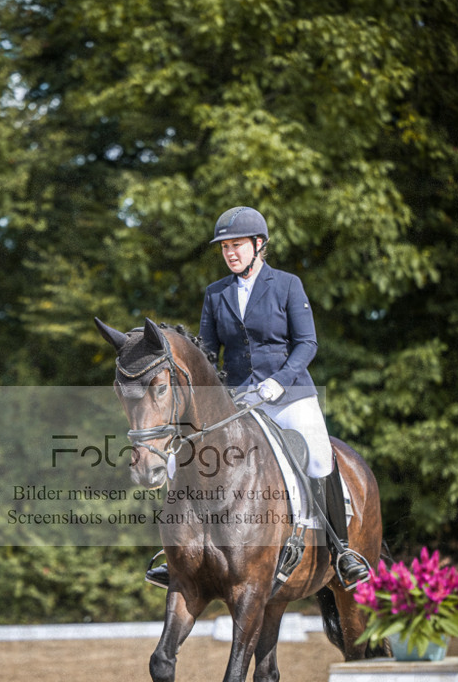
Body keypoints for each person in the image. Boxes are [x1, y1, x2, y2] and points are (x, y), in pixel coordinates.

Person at [146, 205, 370, 591]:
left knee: (318, 455)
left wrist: (279, 382)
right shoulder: (216, 294)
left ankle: (342, 550)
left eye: (237, 245)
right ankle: (178, 556)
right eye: (225, 247)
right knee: (178, 462)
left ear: (258, 244)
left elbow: (307, 343)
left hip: (289, 394)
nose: (230, 253)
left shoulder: (286, 285)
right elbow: (205, 352)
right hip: (238, 401)